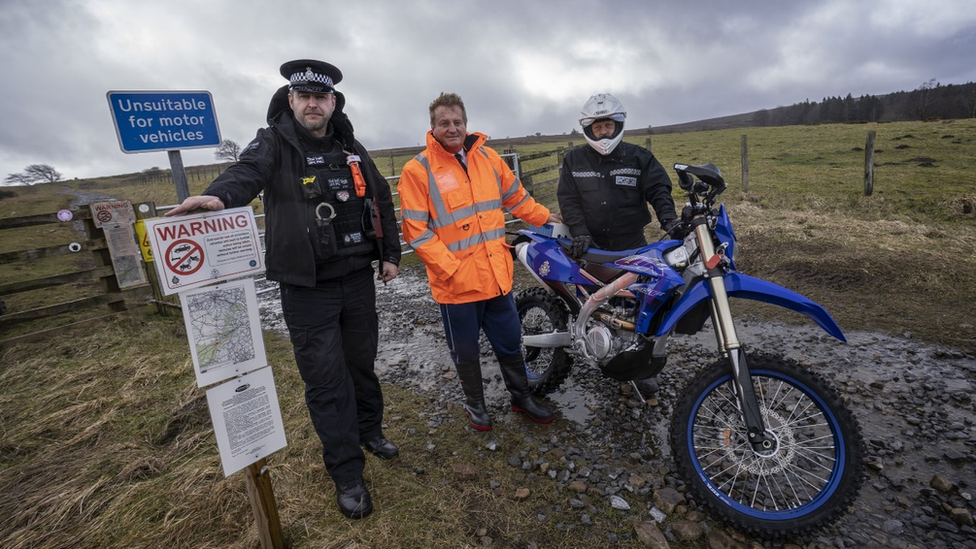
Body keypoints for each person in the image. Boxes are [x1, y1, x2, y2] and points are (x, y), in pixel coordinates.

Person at [165, 60, 401, 520]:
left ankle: (369, 431)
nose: (313, 103)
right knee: (326, 380)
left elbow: (381, 200)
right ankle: (347, 474)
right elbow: (246, 171)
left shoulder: (351, 146)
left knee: (361, 365)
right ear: (291, 101)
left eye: (321, 96)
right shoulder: (273, 143)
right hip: (306, 288)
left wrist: (390, 254)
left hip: (356, 281)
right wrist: (219, 196)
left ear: (333, 103)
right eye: (304, 96)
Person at [398, 92, 559, 431]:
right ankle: (476, 407)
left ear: (466, 124)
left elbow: (517, 197)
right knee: (466, 351)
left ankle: (521, 397)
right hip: (456, 284)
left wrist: (546, 219)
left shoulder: (488, 158)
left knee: (509, 339)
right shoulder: (418, 170)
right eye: (444, 123)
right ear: (433, 128)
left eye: (457, 122)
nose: (452, 128)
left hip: (496, 275)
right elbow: (415, 230)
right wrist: (451, 268)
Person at [556, 93, 685, 396]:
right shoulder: (574, 160)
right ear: (588, 128)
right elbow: (569, 200)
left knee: (639, 307)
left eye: (608, 126)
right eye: (597, 127)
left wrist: (670, 221)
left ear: (618, 125)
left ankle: (637, 370)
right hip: (592, 246)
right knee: (595, 306)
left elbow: (659, 190)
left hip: (632, 245)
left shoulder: (639, 157)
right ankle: (594, 346)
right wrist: (579, 231)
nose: (603, 132)